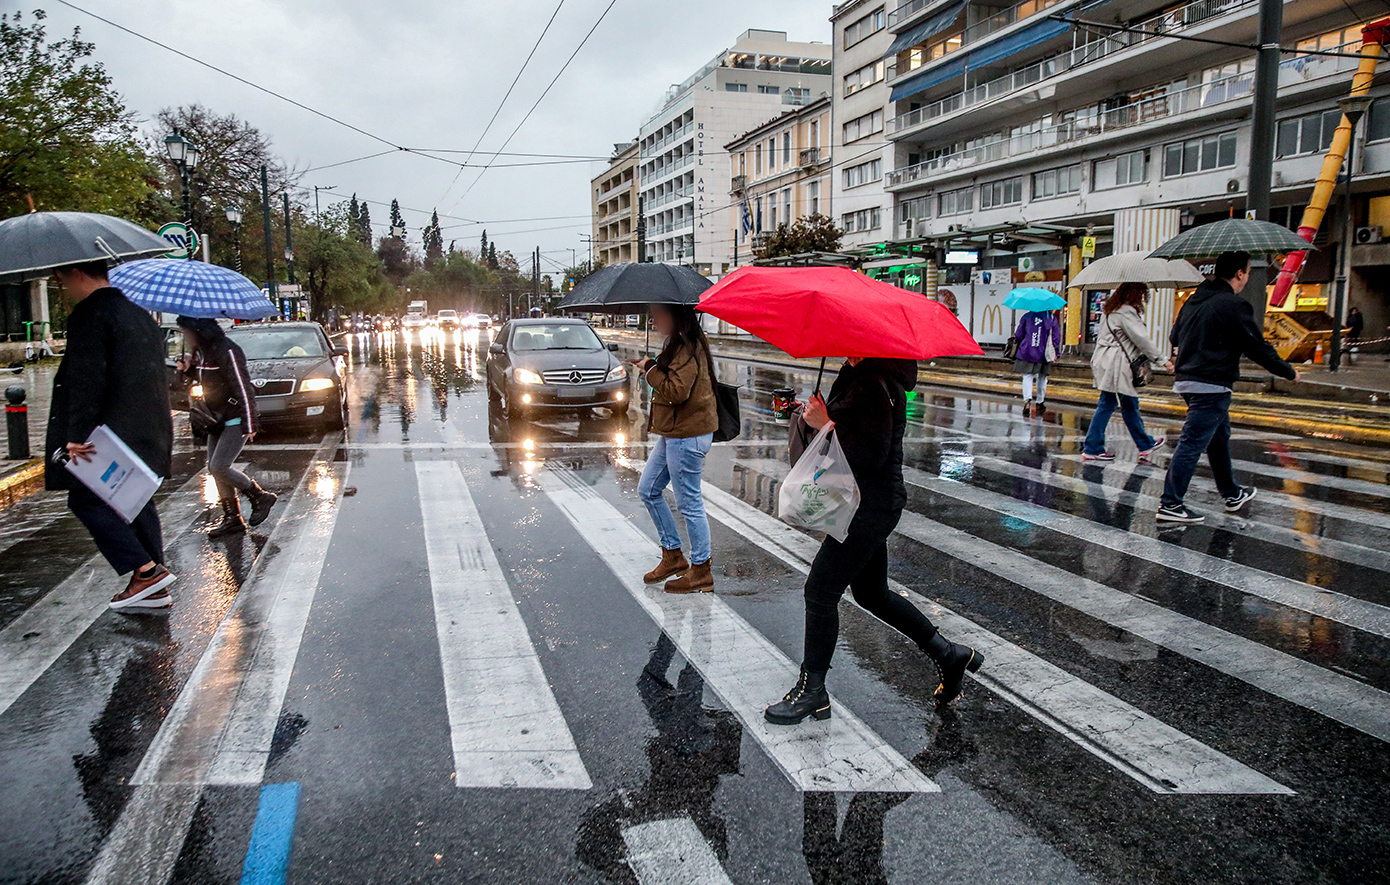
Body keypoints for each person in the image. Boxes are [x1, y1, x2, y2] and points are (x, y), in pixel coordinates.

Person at [764, 358, 983, 725]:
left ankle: (812, 690)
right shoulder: (858, 375)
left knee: (820, 591)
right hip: (866, 503)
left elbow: (869, 456)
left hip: (869, 508)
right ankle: (949, 655)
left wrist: (826, 425)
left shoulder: (874, 385)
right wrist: (814, 414)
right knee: (871, 593)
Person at [44, 261, 175, 611]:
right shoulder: (138, 314)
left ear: (76, 274)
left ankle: (146, 572)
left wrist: (76, 435)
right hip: (148, 428)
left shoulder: (90, 314)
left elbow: (87, 379)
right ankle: (153, 585)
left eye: (61, 278)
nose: (63, 288)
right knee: (134, 500)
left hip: (108, 433)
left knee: (86, 500)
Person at [1158, 251, 1299, 523]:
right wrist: (1288, 372)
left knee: (1218, 437)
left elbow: (1174, 336)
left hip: (1188, 380)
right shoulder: (1233, 305)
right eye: (1246, 272)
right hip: (1212, 383)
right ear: (1239, 274)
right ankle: (1170, 504)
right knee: (1192, 442)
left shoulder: (1193, 301)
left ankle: (1232, 493)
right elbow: (1257, 347)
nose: (1246, 278)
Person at [632, 303, 719, 593]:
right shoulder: (677, 344)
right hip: (674, 432)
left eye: (658, 314)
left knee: (689, 503)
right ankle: (672, 555)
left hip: (687, 435)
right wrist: (654, 365)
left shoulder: (687, 346)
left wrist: (650, 370)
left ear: (674, 315)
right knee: (648, 489)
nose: (653, 319)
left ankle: (701, 570)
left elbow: (676, 391)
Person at [175, 316, 276, 537]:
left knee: (219, 466)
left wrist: (251, 422)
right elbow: (212, 382)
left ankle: (259, 496)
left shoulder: (228, 350)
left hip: (234, 417)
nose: (185, 336)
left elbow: (242, 386)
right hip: (215, 419)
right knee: (214, 467)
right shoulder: (202, 353)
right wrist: (189, 370)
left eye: (186, 331)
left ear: (198, 330)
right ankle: (233, 518)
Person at [1083, 282, 1174, 462]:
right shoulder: (1125, 312)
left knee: (1128, 404)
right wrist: (1163, 360)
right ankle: (1093, 447)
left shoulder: (1111, 310)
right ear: (1134, 294)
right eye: (1141, 294)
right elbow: (1142, 340)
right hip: (1117, 364)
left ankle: (1144, 443)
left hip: (1106, 360)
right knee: (1109, 403)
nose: (1142, 298)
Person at [1012, 309, 1061, 417]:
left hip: (1027, 351)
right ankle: (1040, 401)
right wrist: (1056, 352)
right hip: (1044, 353)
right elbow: (1056, 337)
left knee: (1027, 376)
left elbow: (1018, 334)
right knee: (1042, 377)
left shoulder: (1026, 317)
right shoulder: (1051, 318)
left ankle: (1027, 400)